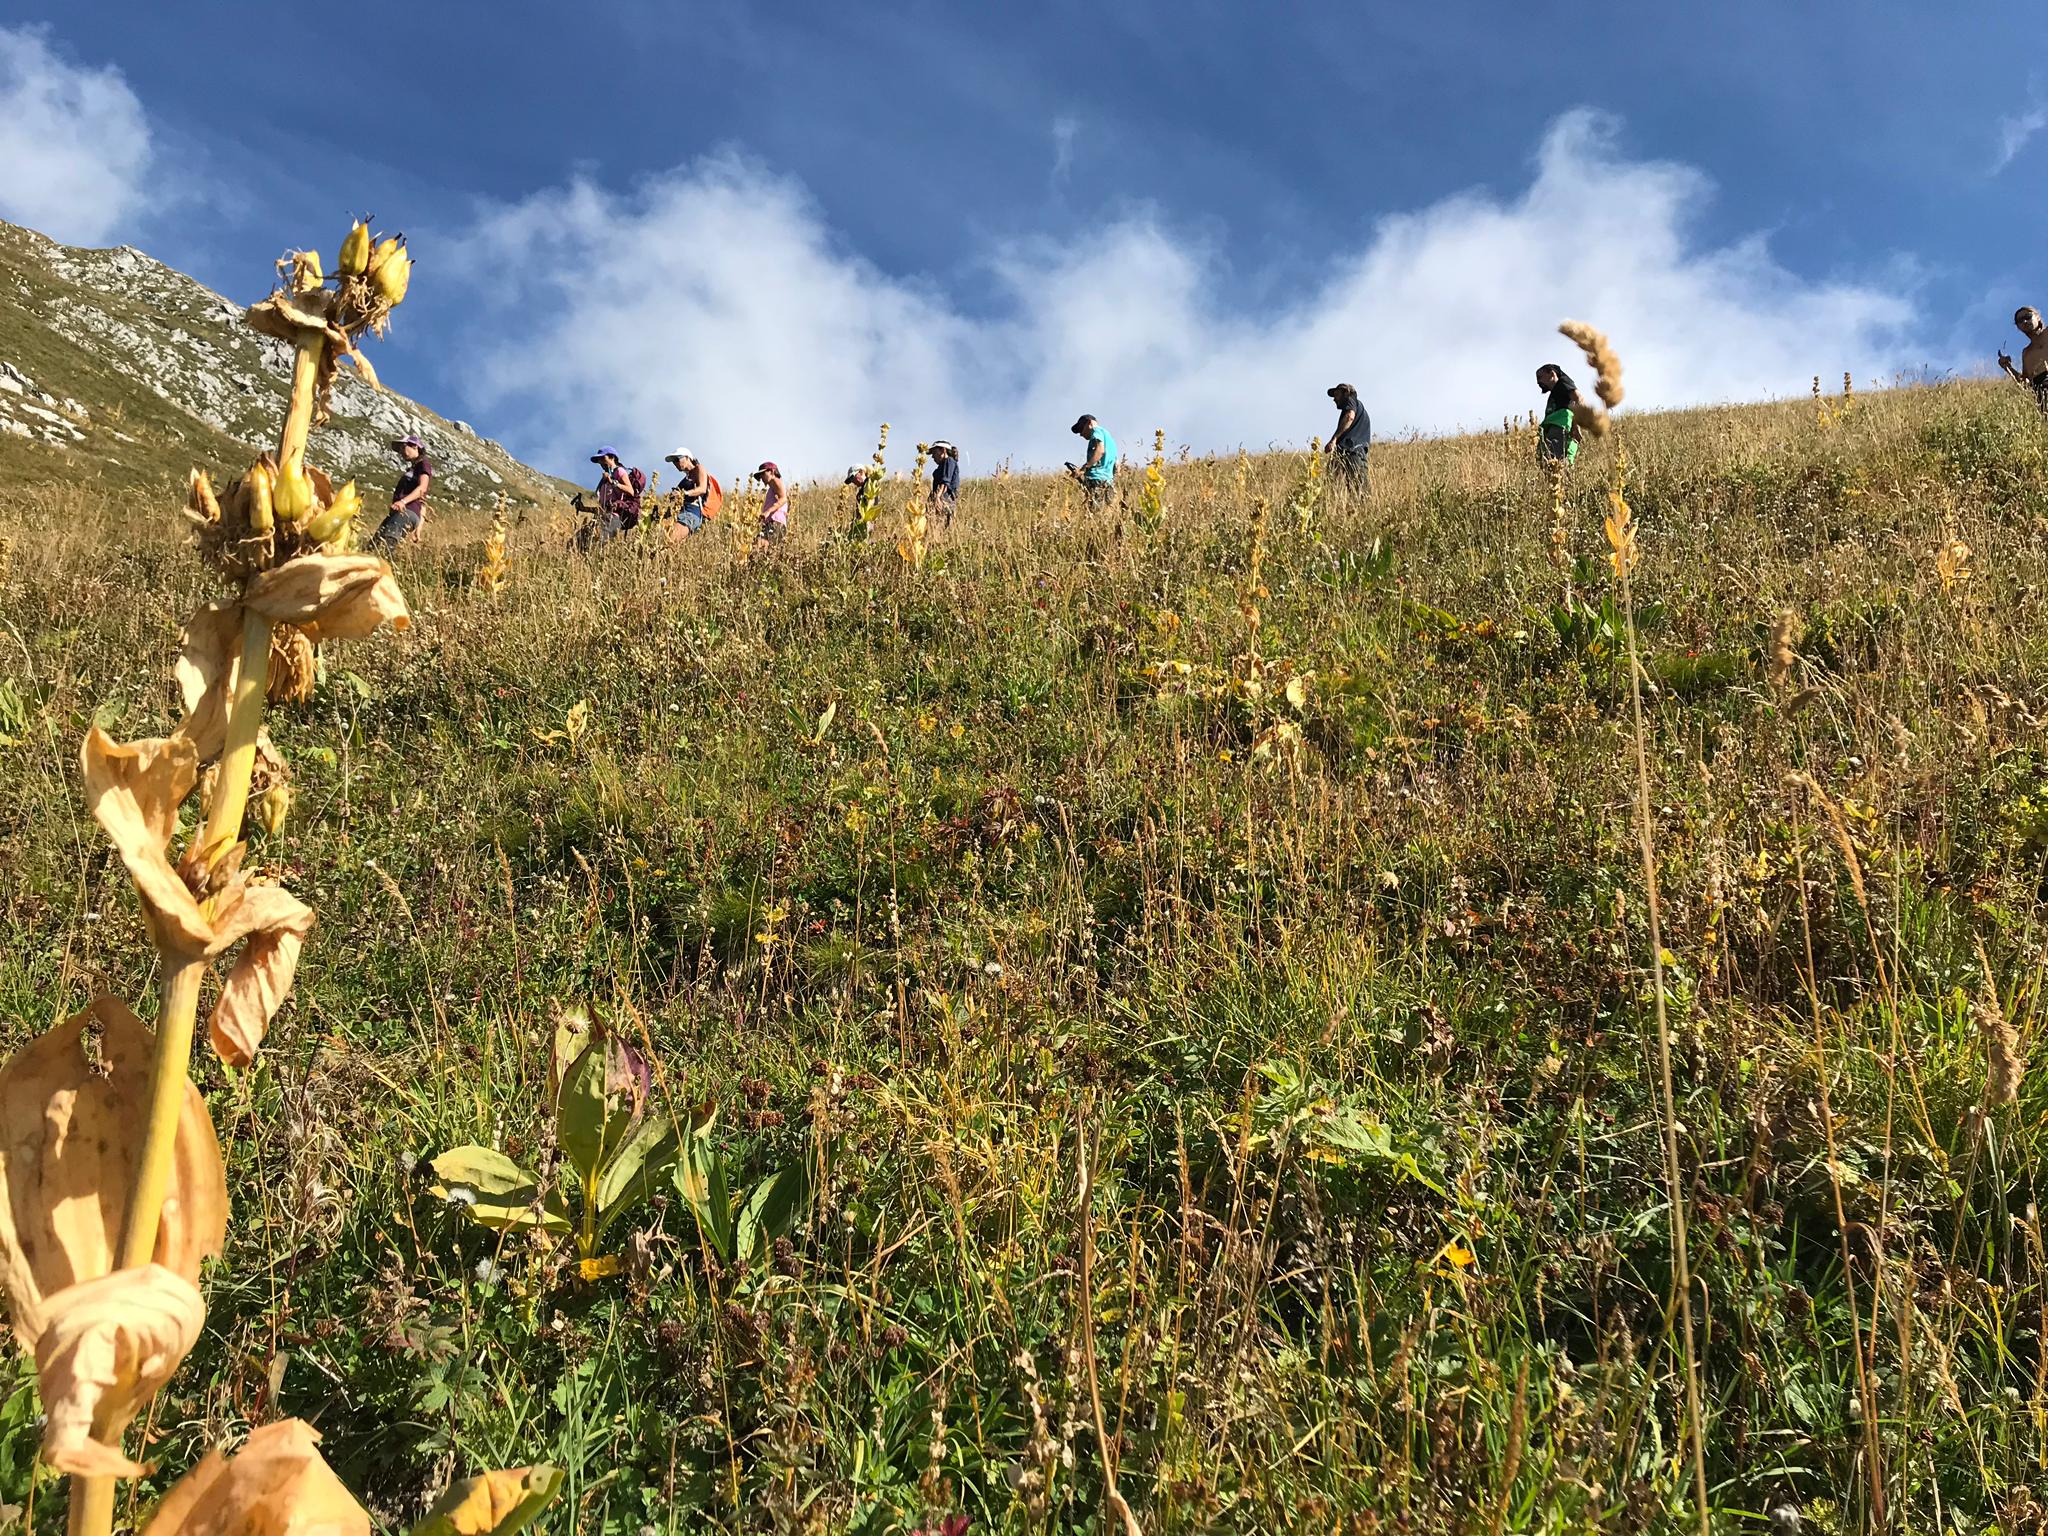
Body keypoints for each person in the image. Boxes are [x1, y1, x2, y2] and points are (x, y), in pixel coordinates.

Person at [367, 434, 432, 553]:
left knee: (387, 545)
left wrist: (403, 501)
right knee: (372, 547)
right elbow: (423, 501)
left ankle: (386, 568)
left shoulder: (423, 464)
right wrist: (419, 528)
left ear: (415, 446)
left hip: (406, 512)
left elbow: (422, 488)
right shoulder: (413, 469)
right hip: (401, 513)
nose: (401, 452)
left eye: (403, 447)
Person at [1997, 306, 2048, 409]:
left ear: (2037, 317)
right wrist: (2008, 368)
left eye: (2028, 316)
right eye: (2020, 320)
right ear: (2018, 327)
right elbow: (2025, 383)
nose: (2024, 321)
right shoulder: (2026, 353)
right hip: (2041, 395)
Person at [1066, 414, 1118, 508]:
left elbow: (1100, 450)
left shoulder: (1096, 431)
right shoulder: (1109, 437)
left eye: (1081, 429)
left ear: (1089, 423)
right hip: (1108, 482)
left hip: (1096, 480)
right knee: (1104, 515)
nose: (1081, 434)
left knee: (1094, 513)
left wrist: (1083, 469)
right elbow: (1116, 465)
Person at [1325, 384, 1370, 489]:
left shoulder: (1351, 400)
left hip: (1352, 452)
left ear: (1346, 393)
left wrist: (1334, 439)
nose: (1334, 399)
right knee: (1331, 487)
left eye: (1336, 395)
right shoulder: (1358, 408)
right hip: (1346, 453)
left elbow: (1350, 416)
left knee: (1360, 494)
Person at [1534, 364, 1582, 465]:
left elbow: (1579, 399)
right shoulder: (1556, 391)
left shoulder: (1563, 383)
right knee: (1546, 461)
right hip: (1553, 427)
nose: (1538, 382)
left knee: (1555, 460)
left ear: (1552, 374)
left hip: (1560, 426)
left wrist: (1575, 425)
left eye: (1540, 377)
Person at [591, 446, 643, 535]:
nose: (600, 462)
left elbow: (630, 491)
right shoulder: (603, 481)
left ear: (612, 457)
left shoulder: (619, 471)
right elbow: (602, 507)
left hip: (615, 517)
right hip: (604, 517)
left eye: (603, 458)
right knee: (580, 541)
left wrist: (613, 483)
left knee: (602, 541)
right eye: (598, 460)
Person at [663, 448, 708, 536]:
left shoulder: (699, 468)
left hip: (691, 514)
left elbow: (702, 489)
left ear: (687, 458)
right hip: (682, 514)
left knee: (669, 541)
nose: (675, 463)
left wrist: (684, 494)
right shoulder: (684, 481)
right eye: (673, 461)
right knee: (668, 544)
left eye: (677, 459)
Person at [754, 461, 790, 548]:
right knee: (766, 551)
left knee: (759, 545)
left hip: (775, 523)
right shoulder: (772, 487)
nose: (761, 477)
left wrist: (768, 511)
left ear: (772, 471)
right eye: (760, 476)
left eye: (763, 473)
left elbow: (784, 498)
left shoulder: (775, 480)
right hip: (772, 523)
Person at [928, 440, 961, 528]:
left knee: (942, 526)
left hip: (945, 499)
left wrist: (938, 497)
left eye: (934, 452)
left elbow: (945, 481)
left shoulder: (949, 461)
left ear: (943, 450)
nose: (932, 456)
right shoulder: (943, 465)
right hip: (940, 499)